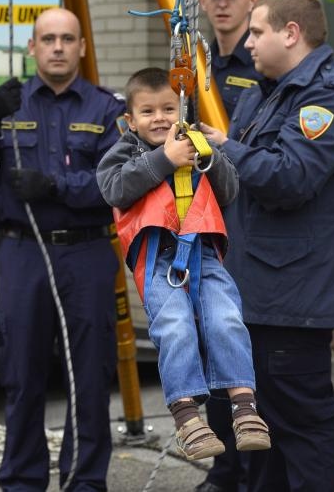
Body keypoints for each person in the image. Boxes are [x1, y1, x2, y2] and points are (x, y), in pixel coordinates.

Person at [200, 0, 334, 492]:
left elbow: (291, 178)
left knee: (305, 431)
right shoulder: (264, 93)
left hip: (293, 300)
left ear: (290, 34)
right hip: (256, 295)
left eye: (257, 31)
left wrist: (226, 147)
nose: (247, 43)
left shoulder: (327, 100)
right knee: (261, 436)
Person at [0, 7, 124, 491]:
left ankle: (84, 482)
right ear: (32, 48)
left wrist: (55, 186)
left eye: (67, 39)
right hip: (22, 254)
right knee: (21, 377)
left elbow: (119, 183)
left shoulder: (107, 109)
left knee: (89, 380)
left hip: (87, 254)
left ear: (80, 47)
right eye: (48, 39)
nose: (57, 47)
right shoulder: (9, 104)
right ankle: (21, 482)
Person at [96, 67, 270, 463]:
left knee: (226, 319)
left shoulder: (192, 144)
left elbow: (228, 192)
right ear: (130, 120)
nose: (159, 118)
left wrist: (208, 155)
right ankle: (187, 417)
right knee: (175, 328)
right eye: (148, 111)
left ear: (182, 109)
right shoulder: (126, 151)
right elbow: (113, 188)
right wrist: (164, 159)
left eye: (168, 109)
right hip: (159, 257)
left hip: (203, 253)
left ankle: (244, 407)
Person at [197, 0, 263, 492]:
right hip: (207, 227)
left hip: (250, 226)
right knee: (209, 348)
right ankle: (223, 473)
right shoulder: (193, 65)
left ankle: (249, 474)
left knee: (245, 353)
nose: (222, 3)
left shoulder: (260, 65)